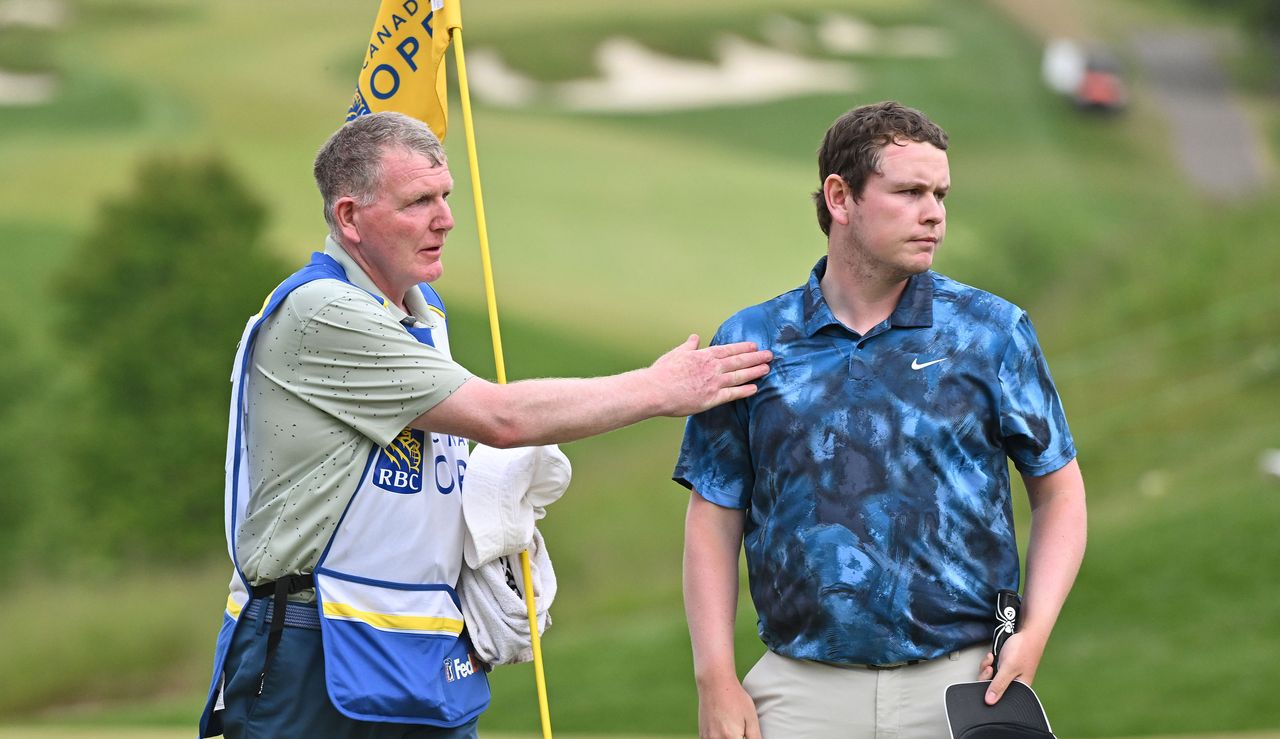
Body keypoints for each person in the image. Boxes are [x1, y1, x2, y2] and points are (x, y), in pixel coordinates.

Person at [197, 111, 772, 739]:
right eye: (418, 201)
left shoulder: (420, 311)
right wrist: (660, 388)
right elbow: (500, 416)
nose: (444, 219)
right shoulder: (322, 310)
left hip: (413, 639)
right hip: (311, 643)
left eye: (445, 196)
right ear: (349, 218)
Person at [673, 101, 1087, 739]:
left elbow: (1059, 492)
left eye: (941, 194)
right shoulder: (753, 342)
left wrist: (1036, 631)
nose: (934, 214)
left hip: (967, 683)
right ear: (841, 197)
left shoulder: (992, 332)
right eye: (910, 192)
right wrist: (715, 679)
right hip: (797, 688)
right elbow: (714, 514)